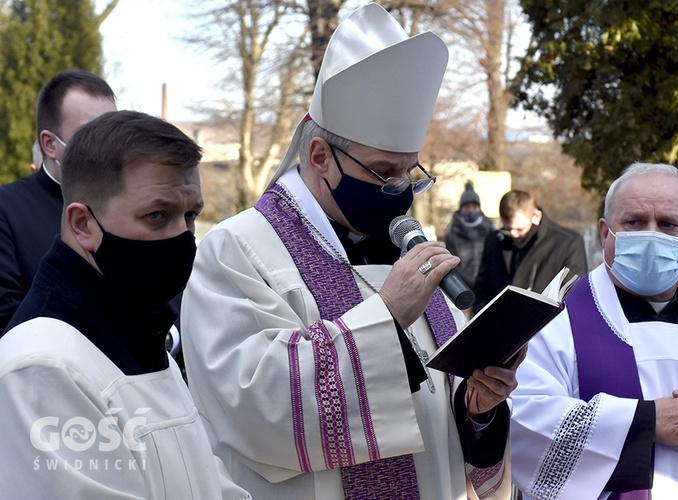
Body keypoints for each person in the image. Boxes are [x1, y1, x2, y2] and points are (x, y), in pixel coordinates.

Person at [181, 4, 519, 499]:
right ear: (320, 158)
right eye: (385, 172)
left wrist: (478, 412)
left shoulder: (416, 255)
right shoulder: (238, 250)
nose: (401, 188)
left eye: (411, 172)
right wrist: (386, 319)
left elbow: (439, 425)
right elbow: (252, 408)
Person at [0, 110, 250, 499]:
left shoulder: (139, 327)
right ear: (83, 224)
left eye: (191, 216)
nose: (182, 238)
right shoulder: (42, 366)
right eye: (157, 215)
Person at [510, 162, 678, 498]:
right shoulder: (550, 324)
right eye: (634, 222)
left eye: (669, 224)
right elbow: (524, 426)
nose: (651, 235)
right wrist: (647, 421)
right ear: (605, 232)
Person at [0, 69, 117, 332]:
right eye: (91, 134)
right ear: (50, 144)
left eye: (113, 132)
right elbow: (7, 319)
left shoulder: (129, 203)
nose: (109, 147)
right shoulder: (6, 210)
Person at [472, 189, 587, 313]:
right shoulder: (494, 241)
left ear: (536, 216)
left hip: (545, 326)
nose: (513, 234)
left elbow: (572, 293)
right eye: (507, 229)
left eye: (519, 229)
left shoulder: (568, 242)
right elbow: (482, 288)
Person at [444, 181, 493, 290]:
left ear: (479, 208)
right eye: (467, 207)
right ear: (461, 208)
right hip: (463, 287)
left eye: (474, 207)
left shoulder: (489, 230)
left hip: (487, 288)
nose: (471, 210)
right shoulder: (452, 234)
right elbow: (454, 265)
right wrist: (472, 283)